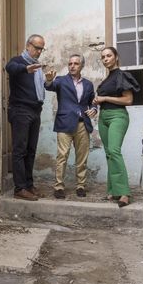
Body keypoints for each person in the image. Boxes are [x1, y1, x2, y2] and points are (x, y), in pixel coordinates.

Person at [43, 54, 97, 199]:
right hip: (64, 123)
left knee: (82, 157)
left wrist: (94, 109)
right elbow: (50, 86)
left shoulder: (88, 84)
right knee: (62, 156)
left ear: (82, 66)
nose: (72, 66)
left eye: (76, 64)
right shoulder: (60, 81)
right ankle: (59, 186)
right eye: (70, 63)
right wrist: (48, 81)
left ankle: (80, 185)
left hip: (82, 123)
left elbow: (92, 101)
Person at [93, 46, 141, 207]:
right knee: (108, 154)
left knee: (114, 150)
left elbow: (128, 100)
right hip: (104, 117)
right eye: (103, 57)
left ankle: (124, 193)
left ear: (116, 57)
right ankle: (113, 190)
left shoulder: (122, 76)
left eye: (108, 56)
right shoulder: (106, 81)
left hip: (117, 116)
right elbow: (103, 100)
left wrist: (105, 98)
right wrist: (96, 104)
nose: (105, 59)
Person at [5, 34, 47, 201]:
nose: (39, 51)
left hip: (35, 111)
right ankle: (19, 188)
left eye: (41, 49)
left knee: (31, 151)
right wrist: (25, 69)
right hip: (20, 110)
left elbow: (38, 88)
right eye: (36, 48)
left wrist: (48, 80)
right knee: (20, 150)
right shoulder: (18, 61)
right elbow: (9, 68)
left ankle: (29, 185)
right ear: (28, 45)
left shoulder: (37, 67)